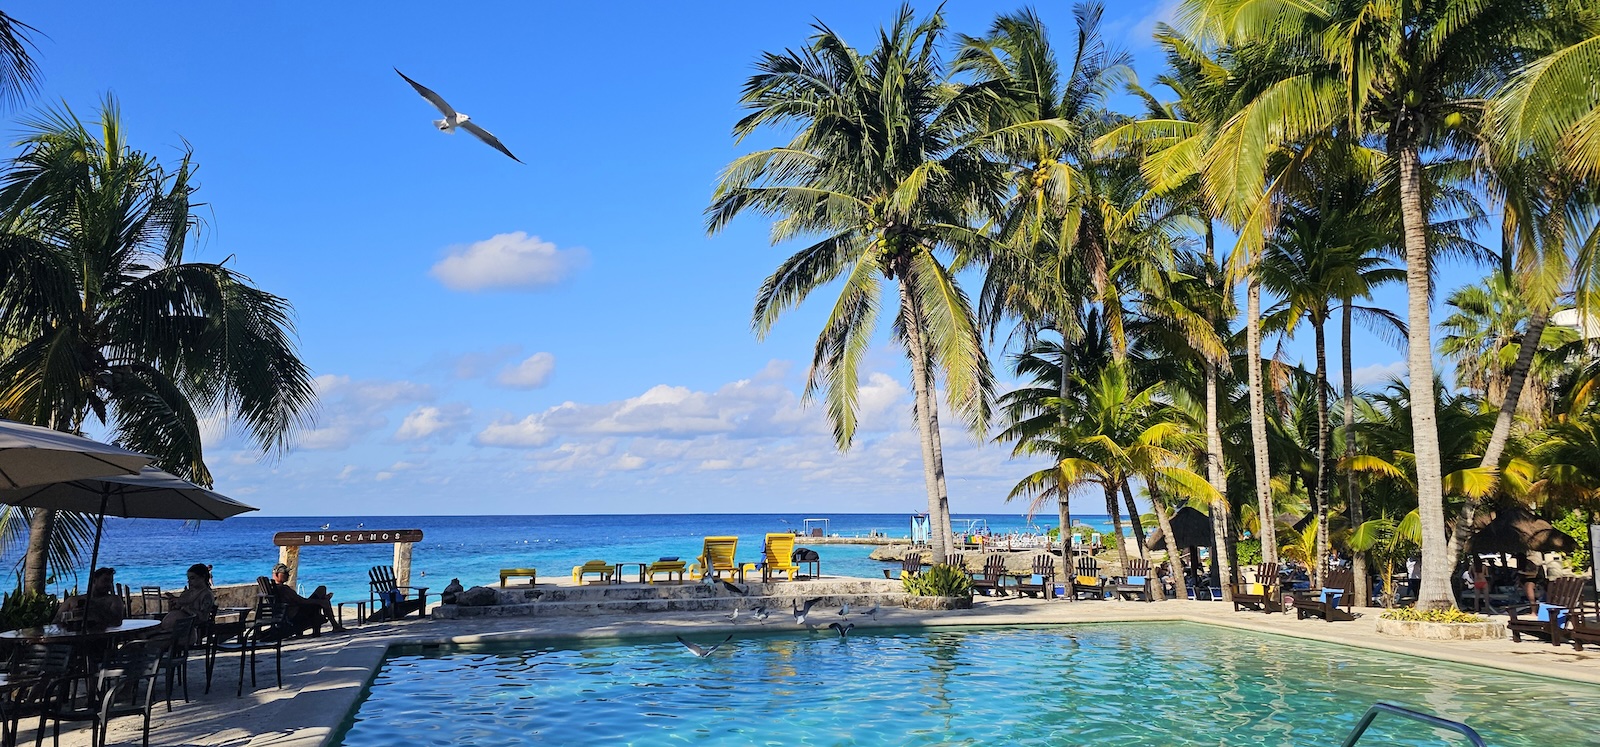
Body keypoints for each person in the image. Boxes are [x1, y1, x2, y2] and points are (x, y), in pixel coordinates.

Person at [266, 563, 346, 636]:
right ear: (276, 574)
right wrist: (321, 602)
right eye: (285, 573)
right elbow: (301, 601)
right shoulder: (284, 589)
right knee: (322, 590)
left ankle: (334, 624)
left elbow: (299, 601)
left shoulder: (275, 588)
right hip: (297, 615)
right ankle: (335, 625)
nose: (288, 575)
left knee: (322, 595)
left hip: (291, 613)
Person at [55, 567, 126, 629]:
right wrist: (73, 615)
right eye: (105, 581)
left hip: (102, 638)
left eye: (111, 582)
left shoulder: (113, 600)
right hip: (73, 638)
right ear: (94, 581)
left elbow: (117, 621)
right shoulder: (73, 600)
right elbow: (56, 621)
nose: (108, 585)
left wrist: (93, 609)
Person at [160, 563, 216, 630]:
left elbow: (203, 618)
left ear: (203, 577)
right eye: (188, 578)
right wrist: (173, 603)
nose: (189, 581)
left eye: (192, 578)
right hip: (175, 628)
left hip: (189, 630)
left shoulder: (206, 595)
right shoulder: (188, 592)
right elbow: (174, 610)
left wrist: (184, 607)